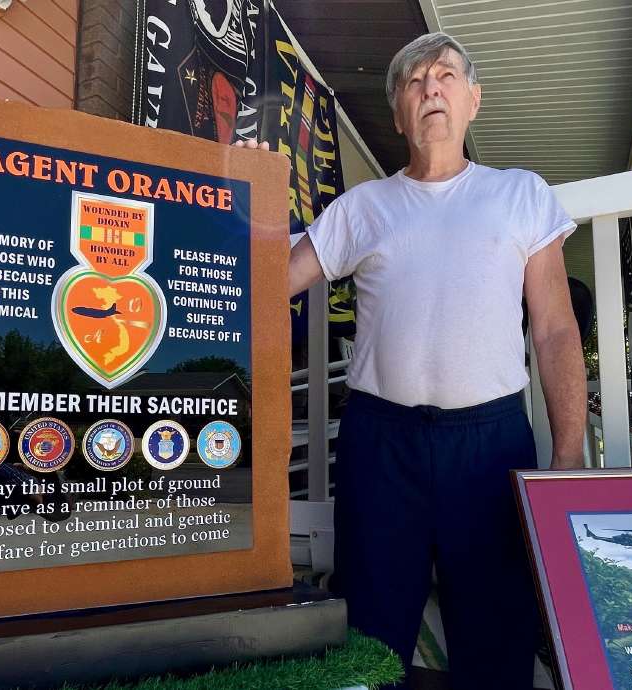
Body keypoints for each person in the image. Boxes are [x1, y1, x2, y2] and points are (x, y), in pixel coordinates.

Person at [239, 31, 586, 689]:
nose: (431, 88)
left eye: (446, 75)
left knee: (496, 635)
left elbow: (555, 331)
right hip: (381, 445)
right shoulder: (363, 207)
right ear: (399, 113)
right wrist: (242, 190)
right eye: (414, 81)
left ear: (473, 100)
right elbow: (270, 280)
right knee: (370, 635)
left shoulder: (522, 194)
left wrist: (567, 456)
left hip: (491, 447)